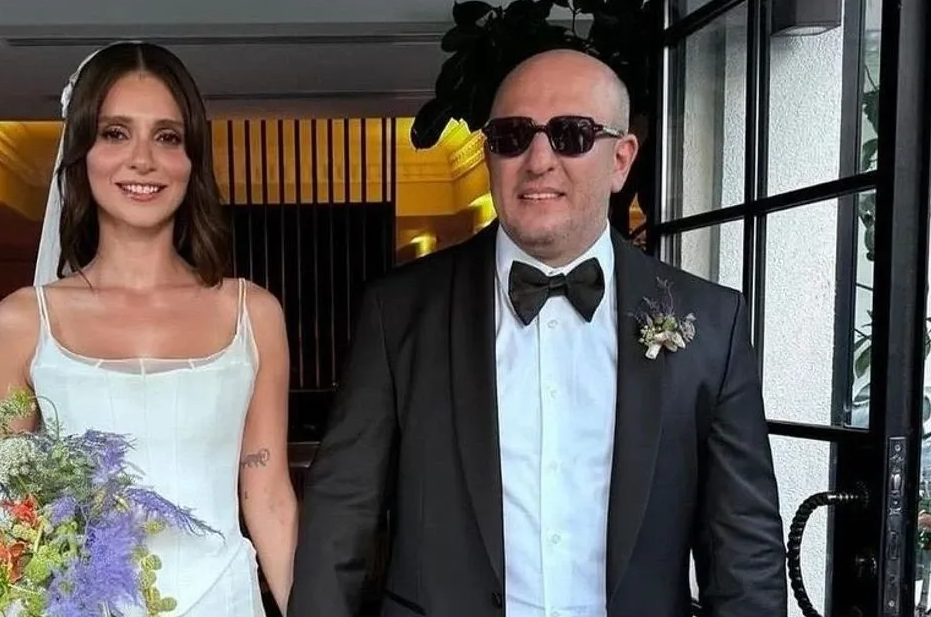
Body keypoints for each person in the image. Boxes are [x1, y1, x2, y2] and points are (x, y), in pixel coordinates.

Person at [287, 48, 786, 617]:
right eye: (512, 136)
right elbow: (341, 516)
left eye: (572, 135)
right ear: (489, 156)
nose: (539, 160)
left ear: (621, 160)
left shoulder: (711, 323)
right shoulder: (398, 312)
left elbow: (743, 551)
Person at [0, 42, 298, 616]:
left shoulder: (253, 314)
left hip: (223, 600)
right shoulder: (24, 321)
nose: (143, 159)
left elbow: (268, 494)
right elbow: (2, 510)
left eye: (167, 137)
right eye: (115, 133)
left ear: (191, 158)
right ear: (81, 152)